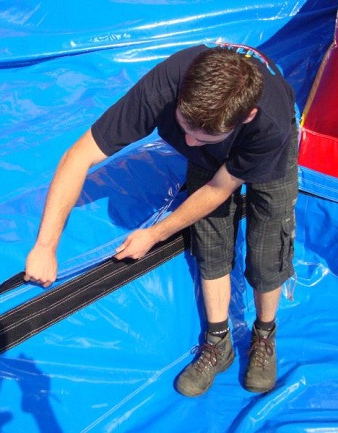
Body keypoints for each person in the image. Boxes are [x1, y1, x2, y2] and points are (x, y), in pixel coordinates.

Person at [23, 42, 298, 396]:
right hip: (214, 130)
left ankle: (264, 334)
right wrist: (45, 246)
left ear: (244, 118)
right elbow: (79, 155)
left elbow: (219, 188)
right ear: (181, 96)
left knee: (268, 242)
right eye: (184, 127)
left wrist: (155, 234)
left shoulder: (267, 124)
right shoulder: (165, 85)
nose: (189, 141)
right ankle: (219, 342)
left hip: (270, 151)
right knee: (210, 236)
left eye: (204, 137)